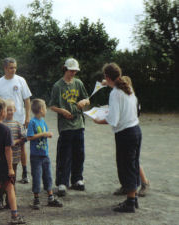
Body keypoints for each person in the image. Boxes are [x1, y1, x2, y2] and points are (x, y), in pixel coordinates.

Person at [94, 63, 142, 213]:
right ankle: (133, 199)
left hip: (125, 134)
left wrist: (97, 119)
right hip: (135, 130)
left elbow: (113, 120)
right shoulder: (127, 86)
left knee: (126, 166)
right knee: (133, 165)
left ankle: (130, 202)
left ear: (107, 77)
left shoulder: (115, 93)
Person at [49, 58, 90, 196]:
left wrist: (84, 101)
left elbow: (87, 99)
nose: (73, 73)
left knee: (79, 153)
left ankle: (77, 179)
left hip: (79, 123)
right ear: (65, 69)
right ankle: (62, 182)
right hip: (65, 125)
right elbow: (52, 105)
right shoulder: (57, 86)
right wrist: (62, 111)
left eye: (75, 71)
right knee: (64, 154)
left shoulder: (78, 83)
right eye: (71, 70)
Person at [0, 57, 32, 184]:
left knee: (21, 145)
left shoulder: (21, 80)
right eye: (11, 68)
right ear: (5, 68)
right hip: (3, 121)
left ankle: (24, 172)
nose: (13, 70)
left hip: (18, 119)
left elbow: (27, 99)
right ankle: (5, 170)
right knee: (4, 146)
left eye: (15, 67)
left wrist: (27, 117)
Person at [112, 76, 150, 197]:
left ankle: (144, 183)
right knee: (127, 161)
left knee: (132, 161)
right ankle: (127, 186)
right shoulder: (128, 94)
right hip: (131, 130)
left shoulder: (130, 97)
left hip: (129, 130)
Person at [27, 99, 63, 210]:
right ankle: (36, 199)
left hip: (45, 154)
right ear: (41, 109)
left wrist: (48, 135)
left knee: (48, 176)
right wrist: (44, 134)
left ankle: (50, 197)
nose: (46, 110)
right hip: (36, 156)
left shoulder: (43, 121)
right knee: (37, 177)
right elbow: (29, 137)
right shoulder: (32, 122)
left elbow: (45, 134)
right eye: (45, 108)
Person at [0, 99, 27, 210]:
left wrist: (16, 142)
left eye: (11, 110)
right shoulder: (1, 124)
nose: (9, 112)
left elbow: (24, 138)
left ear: (15, 110)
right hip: (2, 158)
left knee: (12, 179)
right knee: (0, 179)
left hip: (14, 158)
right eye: (7, 110)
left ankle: (10, 200)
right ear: (3, 111)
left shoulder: (18, 124)